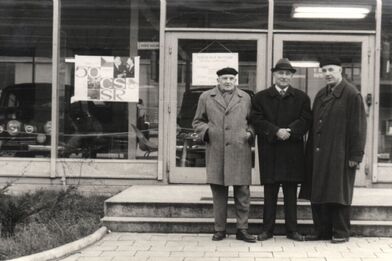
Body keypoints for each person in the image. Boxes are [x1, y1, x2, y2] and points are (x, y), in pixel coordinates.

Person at [299, 57, 367, 243]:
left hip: (340, 154)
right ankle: (322, 231)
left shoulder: (352, 94)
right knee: (319, 192)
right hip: (319, 153)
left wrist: (355, 155)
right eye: (324, 70)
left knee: (339, 193)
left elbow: (358, 127)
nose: (327, 73)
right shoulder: (321, 94)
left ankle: (341, 232)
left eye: (331, 69)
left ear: (340, 71)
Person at [193, 67, 256, 243]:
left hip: (239, 149)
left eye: (231, 78)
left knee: (242, 192)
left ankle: (242, 229)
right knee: (219, 193)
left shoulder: (245, 98)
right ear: (218, 80)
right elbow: (197, 121)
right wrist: (208, 131)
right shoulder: (206, 97)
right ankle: (219, 229)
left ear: (236, 80)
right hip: (216, 150)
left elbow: (253, 121)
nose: (228, 81)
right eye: (224, 78)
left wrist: (250, 133)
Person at [251, 58, 311, 242]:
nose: (284, 77)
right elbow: (256, 119)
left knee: (291, 193)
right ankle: (266, 230)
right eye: (280, 73)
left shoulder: (302, 97)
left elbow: (306, 119)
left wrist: (290, 131)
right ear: (274, 75)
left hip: (292, 151)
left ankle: (292, 231)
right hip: (270, 150)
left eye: (287, 73)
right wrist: (275, 131)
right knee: (270, 193)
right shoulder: (260, 97)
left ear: (292, 76)